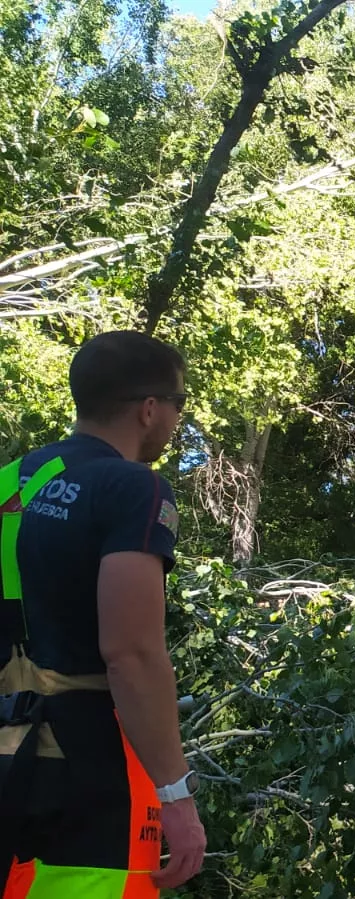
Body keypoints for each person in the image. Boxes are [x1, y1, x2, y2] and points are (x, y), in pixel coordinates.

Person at [0, 331, 206, 897]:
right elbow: (131, 653)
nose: (176, 420)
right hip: (81, 772)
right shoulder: (131, 488)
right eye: (178, 404)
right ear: (149, 409)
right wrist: (175, 794)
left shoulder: (7, 483)